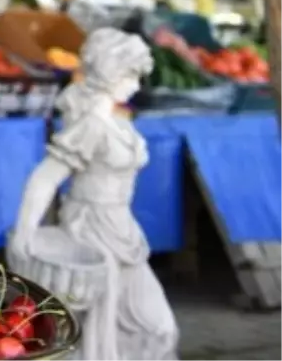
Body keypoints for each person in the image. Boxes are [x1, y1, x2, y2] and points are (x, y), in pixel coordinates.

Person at [9, 28, 179, 361]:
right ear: (110, 73)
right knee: (100, 335)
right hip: (91, 229)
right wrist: (25, 232)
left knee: (158, 327)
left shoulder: (117, 119)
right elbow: (45, 178)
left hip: (123, 229)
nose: (136, 83)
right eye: (130, 74)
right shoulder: (92, 125)